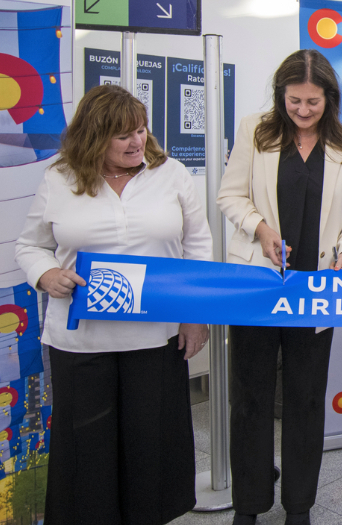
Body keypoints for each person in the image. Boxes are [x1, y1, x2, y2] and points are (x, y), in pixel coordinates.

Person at [14, 84, 212, 524]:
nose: (136, 142)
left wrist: (195, 317)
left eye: (140, 131)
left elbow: (199, 247)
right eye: (122, 135)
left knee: (150, 446)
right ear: (93, 136)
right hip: (81, 342)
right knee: (88, 449)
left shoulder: (171, 174)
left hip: (156, 338)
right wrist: (46, 274)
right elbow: (30, 246)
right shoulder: (59, 178)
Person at [217, 49, 342, 525]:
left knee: (305, 398)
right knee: (250, 398)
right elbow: (230, 195)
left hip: (315, 291)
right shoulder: (255, 131)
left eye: (313, 103)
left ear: (331, 100)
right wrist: (260, 227)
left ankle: (298, 504)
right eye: (294, 101)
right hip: (260, 287)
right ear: (281, 95)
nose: (303, 111)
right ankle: (250, 503)